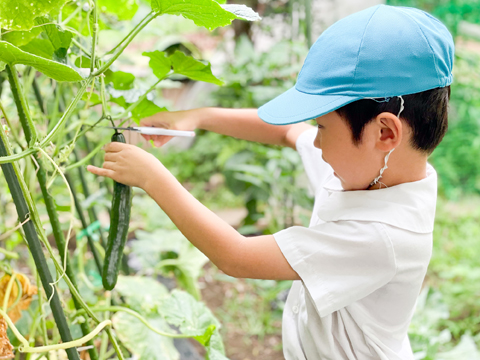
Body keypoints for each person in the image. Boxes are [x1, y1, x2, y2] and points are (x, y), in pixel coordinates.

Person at [87, 4, 454, 359]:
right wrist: (197, 116)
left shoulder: (383, 236)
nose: (316, 141)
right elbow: (287, 132)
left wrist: (152, 177)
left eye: (322, 127)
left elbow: (238, 257)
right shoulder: (376, 168)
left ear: (386, 132)